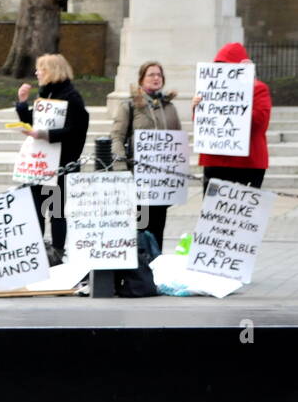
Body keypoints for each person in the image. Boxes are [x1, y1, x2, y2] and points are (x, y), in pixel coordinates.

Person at [16, 53, 88, 262]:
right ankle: (37, 250)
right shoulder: (46, 94)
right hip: (40, 163)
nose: (37, 73)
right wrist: (22, 104)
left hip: (60, 164)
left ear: (51, 71)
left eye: (40, 69)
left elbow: (76, 130)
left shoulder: (71, 97)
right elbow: (34, 122)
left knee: (56, 210)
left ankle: (57, 251)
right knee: (36, 208)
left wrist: (45, 135)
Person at [111, 60, 181, 251]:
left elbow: (177, 140)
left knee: (159, 225)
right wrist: (121, 168)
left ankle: (155, 265)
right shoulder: (130, 106)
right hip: (139, 175)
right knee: (142, 225)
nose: (156, 78)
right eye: (151, 74)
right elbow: (117, 136)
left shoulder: (169, 107)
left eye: (159, 75)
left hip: (162, 179)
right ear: (142, 79)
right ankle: (140, 268)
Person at [193, 42, 272, 191]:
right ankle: (144, 216)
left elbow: (259, 122)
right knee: (213, 212)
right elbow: (203, 125)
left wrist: (244, 90)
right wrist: (197, 108)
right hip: (216, 161)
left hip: (246, 163)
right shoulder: (210, 88)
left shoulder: (258, 88)